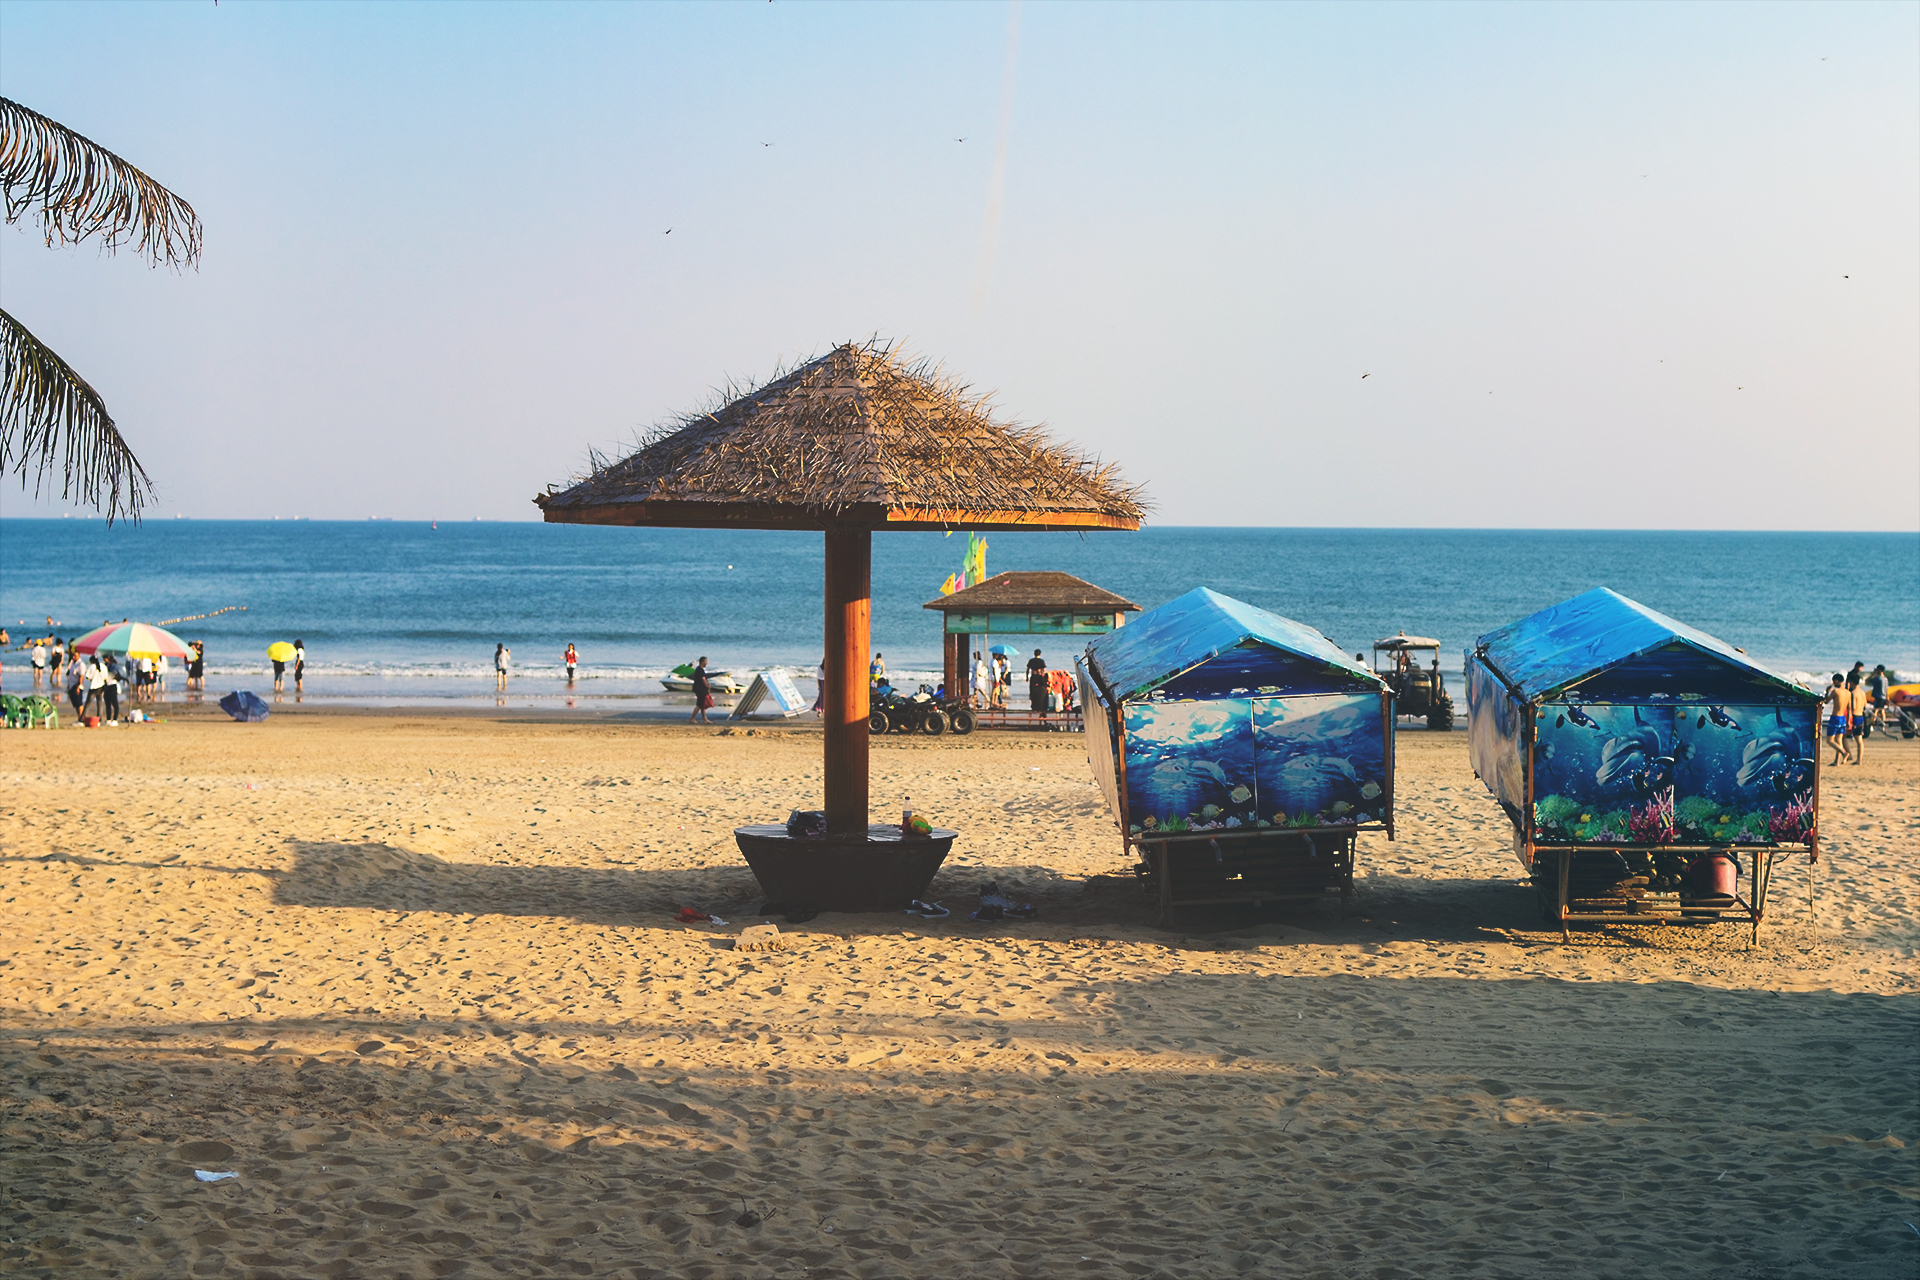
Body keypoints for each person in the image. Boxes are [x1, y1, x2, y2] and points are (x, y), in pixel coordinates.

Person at [1823, 674, 1847, 765]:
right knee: (1839, 740)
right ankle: (1837, 761)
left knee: (1829, 740)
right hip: (1842, 718)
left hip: (1835, 717)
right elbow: (1848, 707)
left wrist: (1827, 692)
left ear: (1837, 681)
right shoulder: (1848, 692)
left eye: (1833, 681)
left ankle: (1844, 752)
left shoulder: (1835, 691)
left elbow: (1826, 701)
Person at [688, 655, 714, 724]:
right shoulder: (699, 670)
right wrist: (707, 686)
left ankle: (705, 719)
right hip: (700, 690)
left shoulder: (699, 669)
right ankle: (692, 718)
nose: (707, 663)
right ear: (702, 662)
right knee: (699, 705)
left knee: (703, 705)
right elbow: (703, 679)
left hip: (700, 689)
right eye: (706, 661)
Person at [1868, 664, 1891, 730]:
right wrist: (1887, 697)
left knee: (1875, 710)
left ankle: (1872, 724)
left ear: (1879, 670)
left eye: (1877, 670)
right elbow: (1887, 689)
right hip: (1884, 697)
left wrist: (1873, 673)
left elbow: (1870, 680)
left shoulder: (1878, 678)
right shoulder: (1885, 679)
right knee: (1882, 711)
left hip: (1879, 696)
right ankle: (1882, 724)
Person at [1027, 648, 1048, 717]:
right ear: (1040, 654)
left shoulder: (1031, 661)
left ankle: (1034, 705)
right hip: (1039, 677)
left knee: (1032, 691)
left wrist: (1027, 676)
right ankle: (1039, 705)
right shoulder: (1041, 661)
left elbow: (1028, 669)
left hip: (1033, 676)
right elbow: (1044, 670)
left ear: (1034, 654)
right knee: (1039, 691)